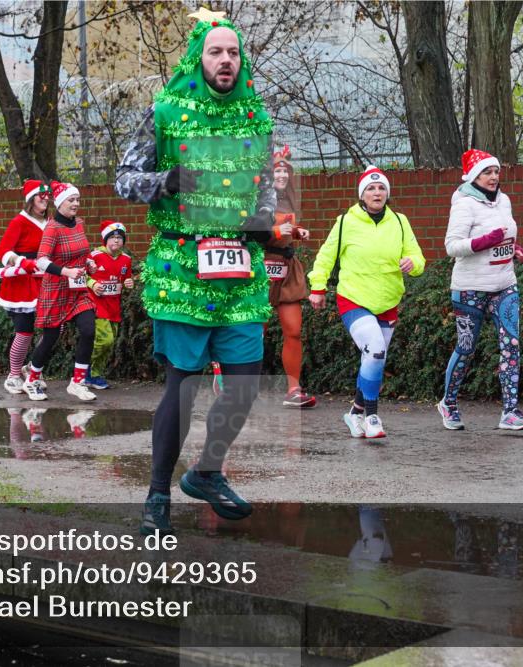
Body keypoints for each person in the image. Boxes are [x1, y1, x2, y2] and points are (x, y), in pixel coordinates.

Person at [115, 7, 276, 535]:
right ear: (198, 57)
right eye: (216, 52)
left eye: (233, 52)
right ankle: (158, 492)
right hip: (183, 266)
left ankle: (207, 471)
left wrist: (272, 228)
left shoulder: (257, 117)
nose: (226, 60)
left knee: (246, 384)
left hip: (238, 269)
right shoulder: (164, 110)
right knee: (181, 386)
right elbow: (123, 181)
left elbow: (266, 192)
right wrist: (166, 181)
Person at [308, 166, 425, 439]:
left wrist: (413, 263)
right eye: (371, 188)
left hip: (388, 299)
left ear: (387, 193)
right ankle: (372, 415)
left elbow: (417, 257)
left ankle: (354, 413)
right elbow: (326, 257)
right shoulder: (346, 222)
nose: (377, 192)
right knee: (374, 350)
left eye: (381, 188)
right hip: (354, 298)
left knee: (375, 359)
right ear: (362, 195)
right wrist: (317, 286)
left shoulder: (399, 221)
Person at [436, 149, 523, 431]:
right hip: (470, 288)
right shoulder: (464, 204)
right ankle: (449, 404)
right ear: (473, 177)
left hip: (504, 284)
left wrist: (514, 250)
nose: (493, 177)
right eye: (486, 173)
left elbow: (505, 238)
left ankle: (510, 412)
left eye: (496, 172)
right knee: (466, 349)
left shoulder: (504, 201)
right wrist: (482, 241)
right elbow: (452, 246)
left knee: (511, 346)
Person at [22, 180, 98, 403]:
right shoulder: (52, 228)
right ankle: (32, 379)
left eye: (78, 200)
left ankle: (77, 382)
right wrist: (66, 271)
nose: (76, 204)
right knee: (50, 337)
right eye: (71, 200)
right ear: (60, 203)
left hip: (78, 289)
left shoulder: (79, 224)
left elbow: (82, 252)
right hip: (56, 289)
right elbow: (41, 262)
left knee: (88, 330)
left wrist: (89, 262)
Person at [268, 145, 317, 408]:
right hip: (261, 266)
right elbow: (247, 228)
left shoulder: (289, 197)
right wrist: (276, 231)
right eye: (277, 170)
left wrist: (298, 232)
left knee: (294, 330)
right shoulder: (255, 197)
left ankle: (293, 389)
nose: (282, 175)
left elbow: (287, 228)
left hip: (287, 268)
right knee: (254, 332)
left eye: (286, 171)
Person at [0, 179, 51, 394]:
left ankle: (34, 368)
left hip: (47, 280)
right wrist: (20, 262)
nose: (45, 200)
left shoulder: (52, 222)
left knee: (55, 329)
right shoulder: (19, 222)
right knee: (25, 331)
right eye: (41, 196)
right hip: (23, 283)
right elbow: (3, 251)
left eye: (47, 197)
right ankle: (14, 374)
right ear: (31, 199)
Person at [84, 219, 135, 390]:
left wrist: (129, 282)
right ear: (105, 239)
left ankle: (95, 375)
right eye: (112, 237)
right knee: (105, 340)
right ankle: (84, 368)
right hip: (96, 305)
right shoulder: (94, 256)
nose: (116, 241)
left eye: (120, 238)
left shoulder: (126, 260)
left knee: (110, 343)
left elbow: (126, 278)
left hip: (114, 307)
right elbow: (80, 275)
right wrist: (92, 284)